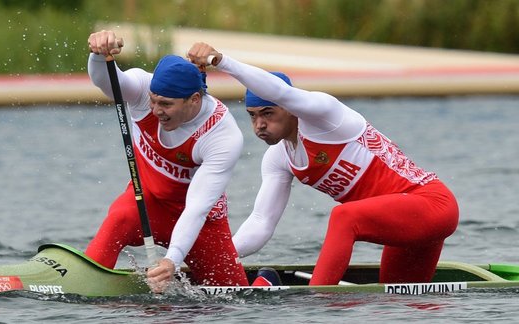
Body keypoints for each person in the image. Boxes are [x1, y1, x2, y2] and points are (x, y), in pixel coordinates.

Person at [187, 43, 459, 285]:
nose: (259, 125)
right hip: (404, 222)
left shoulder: (327, 117)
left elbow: (281, 92)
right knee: (400, 305)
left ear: (289, 108)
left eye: (268, 113)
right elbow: (261, 223)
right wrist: (216, 260)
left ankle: (318, 302)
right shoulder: (279, 158)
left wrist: (221, 62)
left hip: (432, 204)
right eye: (253, 116)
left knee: (344, 217)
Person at [86, 31, 249, 293]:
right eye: (152, 101)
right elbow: (107, 81)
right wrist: (97, 53)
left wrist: (172, 260)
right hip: (146, 202)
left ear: (194, 99)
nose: (156, 110)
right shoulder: (142, 87)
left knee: (231, 298)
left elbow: (196, 208)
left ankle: (266, 280)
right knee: (118, 218)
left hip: (201, 221)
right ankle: (83, 282)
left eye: (166, 104)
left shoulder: (222, 134)